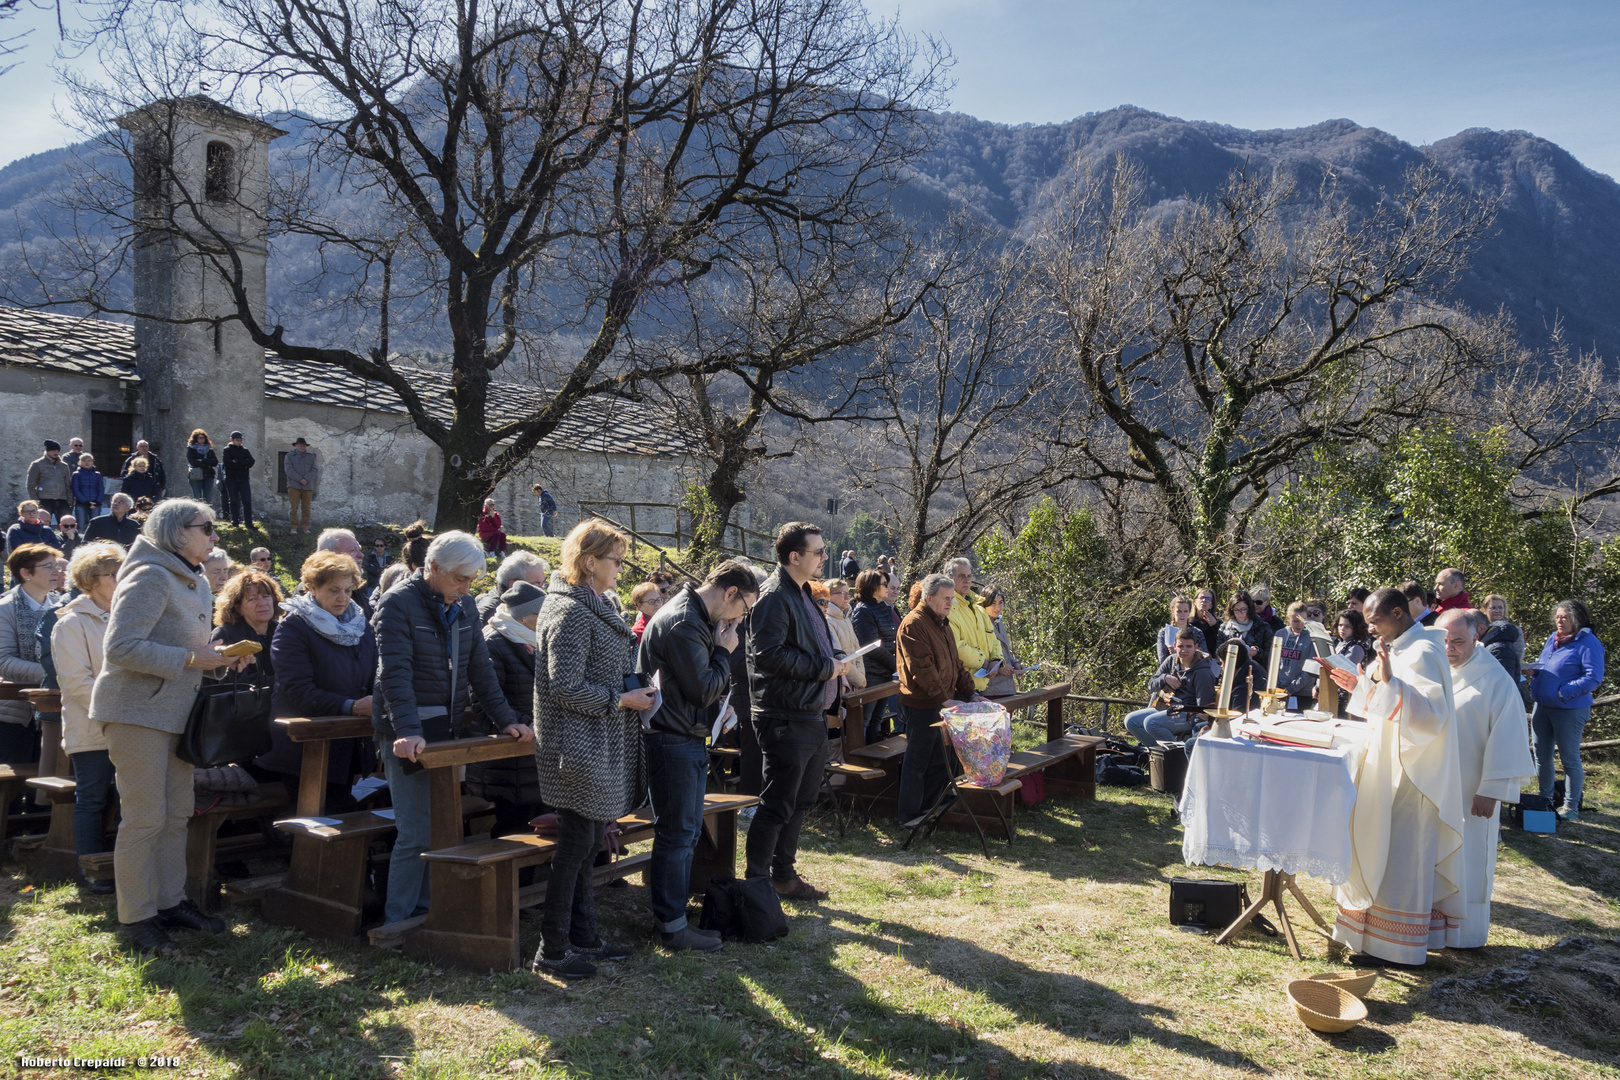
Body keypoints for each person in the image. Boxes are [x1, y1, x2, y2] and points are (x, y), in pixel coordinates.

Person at [91, 499, 249, 953]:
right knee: (144, 817)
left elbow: (190, 651)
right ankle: (137, 918)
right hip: (135, 712)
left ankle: (169, 901)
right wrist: (188, 658)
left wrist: (219, 662)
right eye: (208, 527)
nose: (215, 535)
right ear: (180, 533)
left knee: (177, 812)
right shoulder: (150, 575)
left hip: (177, 714)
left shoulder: (193, 579)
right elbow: (120, 647)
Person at [374, 531, 529, 924]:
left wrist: (507, 719)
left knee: (443, 824)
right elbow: (395, 675)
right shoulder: (397, 604)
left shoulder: (464, 607)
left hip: (446, 728)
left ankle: (433, 909)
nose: (465, 587)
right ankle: (399, 917)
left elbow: (481, 671)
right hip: (407, 731)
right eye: (459, 578)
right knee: (415, 831)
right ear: (433, 568)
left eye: (472, 580)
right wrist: (407, 731)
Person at [531, 520, 652, 979]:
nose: (621, 569)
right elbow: (565, 687)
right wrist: (621, 699)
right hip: (575, 745)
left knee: (585, 845)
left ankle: (582, 938)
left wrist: (636, 689)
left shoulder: (595, 604)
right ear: (589, 562)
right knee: (576, 846)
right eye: (615, 561)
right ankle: (553, 950)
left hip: (598, 741)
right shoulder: (569, 611)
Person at [1326, 587, 1464, 966]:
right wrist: (1361, 688)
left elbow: (1431, 716)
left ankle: (1395, 947)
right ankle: (1367, 935)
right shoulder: (1400, 647)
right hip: (1384, 764)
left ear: (1400, 614)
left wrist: (1388, 685)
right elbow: (1385, 701)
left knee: (1400, 856)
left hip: (1411, 773)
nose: (1370, 629)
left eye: (1375, 621)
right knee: (1374, 846)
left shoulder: (1423, 651)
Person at [637, 559, 757, 952]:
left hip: (683, 733)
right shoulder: (685, 622)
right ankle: (671, 926)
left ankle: (674, 916)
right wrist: (724, 652)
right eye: (743, 608)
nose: (741, 618)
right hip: (673, 739)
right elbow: (702, 690)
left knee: (683, 831)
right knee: (677, 833)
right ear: (729, 593)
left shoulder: (696, 617)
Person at [745, 521, 850, 903]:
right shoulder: (774, 595)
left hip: (809, 712)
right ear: (795, 557)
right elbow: (768, 656)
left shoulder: (803, 592)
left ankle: (783, 876)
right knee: (776, 804)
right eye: (818, 552)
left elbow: (811, 644)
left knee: (801, 800)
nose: (825, 557)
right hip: (785, 713)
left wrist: (834, 657)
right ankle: (757, 885)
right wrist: (825, 668)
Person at [1436, 609, 1535, 948]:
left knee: (1469, 856)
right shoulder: (1432, 670)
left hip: (1470, 790)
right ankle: (1427, 928)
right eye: (1443, 641)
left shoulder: (1494, 679)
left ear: (1476, 637)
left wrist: (1491, 790)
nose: (1449, 648)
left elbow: (1508, 738)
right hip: (1432, 785)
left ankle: (1464, 934)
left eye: (1458, 641)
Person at [263, 550, 377, 810]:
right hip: (303, 749)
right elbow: (297, 690)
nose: (343, 598)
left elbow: (371, 674)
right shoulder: (294, 627)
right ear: (312, 587)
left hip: (348, 744)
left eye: (348, 590)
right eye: (334, 590)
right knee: (319, 817)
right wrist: (351, 705)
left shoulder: (359, 625)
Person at [52, 542, 125, 892]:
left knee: (132, 798)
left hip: (131, 724)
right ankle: (91, 870)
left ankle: (125, 866)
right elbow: (76, 682)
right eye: (114, 574)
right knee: (93, 797)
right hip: (93, 726)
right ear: (90, 580)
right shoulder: (71, 623)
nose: (122, 579)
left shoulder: (127, 615)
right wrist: (120, 708)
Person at [465, 581, 546, 844]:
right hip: (509, 756)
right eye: (541, 614)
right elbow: (485, 699)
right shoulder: (494, 642)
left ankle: (533, 883)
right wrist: (526, 724)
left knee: (541, 824)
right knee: (513, 829)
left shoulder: (534, 640)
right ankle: (512, 885)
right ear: (523, 616)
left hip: (535, 755)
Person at [894, 573, 978, 824]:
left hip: (943, 703)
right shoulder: (913, 623)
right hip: (923, 704)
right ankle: (909, 816)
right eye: (946, 598)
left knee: (941, 762)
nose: (951, 603)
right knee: (917, 763)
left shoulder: (943, 622)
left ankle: (928, 810)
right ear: (928, 597)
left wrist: (972, 693)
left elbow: (956, 663)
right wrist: (944, 699)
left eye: (952, 598)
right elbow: (922, 668)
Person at [1528, 599, 1605, 822]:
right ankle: (1546, 800)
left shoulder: (1589, 642)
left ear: (1577, 619)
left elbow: (1593, 677)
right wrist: (1535, 672)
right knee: (1541, 756)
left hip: (1569, 709)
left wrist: (1562, 693)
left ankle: (1570, 807)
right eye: (1558, 617)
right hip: (1542, 706)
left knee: (1569, 759)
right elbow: (1548, 664)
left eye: (1566, 617)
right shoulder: (1554, 638)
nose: (1560, 621)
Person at [0, 542, 63, 762]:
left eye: (57, 566)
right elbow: (4, 663)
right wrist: (53, 674)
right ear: (26, 572)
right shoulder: (5, 609)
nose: (57, 572)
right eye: (48, 567)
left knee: (46, 780)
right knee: (14, 787)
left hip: (54, 707)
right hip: (15, 712)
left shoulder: (60, 607)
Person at [1124, 629, 1217, 747]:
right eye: (1180, 646)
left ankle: (1177, 755)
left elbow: (1203, 709)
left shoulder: (1202, 672)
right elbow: (1151, 684)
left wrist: (1198, 731)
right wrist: (1164, 678)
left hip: (1188, 713)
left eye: (1189, 646)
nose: (1184, 650)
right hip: (1167, 707)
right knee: (1131, 720)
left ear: (1196, 647)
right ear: (1174, 646)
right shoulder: (1171, 661)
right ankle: (1159, 754)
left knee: (1151, 723)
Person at [850, 568, 900, 742]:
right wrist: (896, 665)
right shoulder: (862, 611)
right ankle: (861, 760)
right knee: (865, 720)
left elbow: (891, 640)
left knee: (876, 720)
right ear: (871, 587)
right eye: (884, 584)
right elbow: (871, 646)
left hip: (885, 672)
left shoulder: (883, 608)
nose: (888, 587)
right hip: (870, 674)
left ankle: (873, 757)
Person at [208, 569, 283, 682]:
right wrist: (285, 684)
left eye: (266, 596)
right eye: (252, 599)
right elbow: (231, 681)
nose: (262, 603)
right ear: (238, 607)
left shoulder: (283, 631)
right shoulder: (225, 635)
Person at [943, 557, 1003, 693]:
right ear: (949, 578)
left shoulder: (979, 610)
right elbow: (956, 646)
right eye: (961, 576)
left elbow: (993, 639)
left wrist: (995, 660)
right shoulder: (947, 610)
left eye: (969, 576)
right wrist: (984, 663)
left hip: (981, 684)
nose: (967, 580)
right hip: (959, 687)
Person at [1216, 592, 1272, 701]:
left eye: (1243, 609)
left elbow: (1270, 656)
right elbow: (1218, 654)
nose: (1240, 613)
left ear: (1250, 609)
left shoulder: (1263, 627)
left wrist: (1257, 652)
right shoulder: (1224, 628)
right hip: (1231, 678)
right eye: (1236, 610)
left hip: (1256, 677)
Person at [475, 550, 551, 626]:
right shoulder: (488, 615)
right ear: (513, 585)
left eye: (544, 583)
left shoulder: (528, 604)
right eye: (537, 585)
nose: (542, 591)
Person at [821, 577, 867, 701]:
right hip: (841, 684)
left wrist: (861, 677)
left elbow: (857, 651)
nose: (847, 598)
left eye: (848, 594)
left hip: (856, 683)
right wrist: (859, 680)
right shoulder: (828, 621)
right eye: (842, 594)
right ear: (829, 595)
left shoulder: (846, 618)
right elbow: (840, 657)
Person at [976, 584, 1025, 697]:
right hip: (989, 690)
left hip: (1007, 687)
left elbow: (1004, 652)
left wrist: (1016, 664)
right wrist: (998, 669)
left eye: (1000, 602)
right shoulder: (979, 625)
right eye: (993, 603)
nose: (998, 607)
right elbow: (977, 657)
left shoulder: (999, 622)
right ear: (984, 603)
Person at [1275, 601, 1317, 707]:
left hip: (1301, 693)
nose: (1300, 625)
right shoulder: (1280, 634)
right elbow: (1273, 661)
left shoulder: (1312, 637)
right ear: (1288, 619)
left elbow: (1310, 670)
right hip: (1278, 690)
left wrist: (1291, 689)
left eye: (1303, 621)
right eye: (1295, 621)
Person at [1478, 594, 1525, 685]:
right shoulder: (1480, 630)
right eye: (1493, 608)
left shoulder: (1514, 631)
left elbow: (1519, 655)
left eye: (1500, 608)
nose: (1497, 611)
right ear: (1484, 610)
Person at [27, 440, 73, 522]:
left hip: (62, 500)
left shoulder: (64, 466)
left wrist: (69, 501)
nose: (56, 452)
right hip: (44, 499)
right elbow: (30, 485)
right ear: (48, 451)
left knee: (66, 524)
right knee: (43, 524)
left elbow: (68, 485)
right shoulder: (37, 464)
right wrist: (36, 502)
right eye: (53, 450)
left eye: (57, 450)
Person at [220, 431, 257, 528]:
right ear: (232, 439)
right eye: (237, 440)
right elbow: (228, 464)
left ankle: (248, 522)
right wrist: (243, 464)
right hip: (231, 478)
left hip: (243, 478)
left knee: (247, 500)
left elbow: (251, 462)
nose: (239, 442)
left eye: (240, 440)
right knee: (233, 500)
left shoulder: (245, 450)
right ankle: (235, 521)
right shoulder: (227, 450)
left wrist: (237, 462)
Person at [1157, 594, 1208, 661]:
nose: (1182, 615)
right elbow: (1162, 660)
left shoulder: (1197, 632)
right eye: (1179, 611)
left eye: (1185, 611)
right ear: (1172, 611)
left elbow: (1205, 658)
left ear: (1189, 612)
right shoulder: (1164, 633)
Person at [284, 437, 318, 534]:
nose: (302, 447)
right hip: (294, 486)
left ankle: (305, 528)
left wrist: (306, 479)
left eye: (304, 446)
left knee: (306, 508)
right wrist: (300, 479)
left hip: (307, 487)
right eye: (300, 445)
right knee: (294, 508)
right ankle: (293, 527)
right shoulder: (289, 456)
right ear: (296, 446)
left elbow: (314, 470)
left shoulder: (310, 457)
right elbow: (288, 470)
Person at [185, 429, 219, 505]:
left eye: (203, 438)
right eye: (200, 438)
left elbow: (215, 462)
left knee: (208, 499)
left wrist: (202, 460)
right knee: (197, 498)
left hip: (208, 475)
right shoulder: (191, 449)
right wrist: (207, 464)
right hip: (196, 475)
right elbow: (192, 462)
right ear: (195, 439)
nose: (202, 439)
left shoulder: (209, 449)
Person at [69, 453, 105, 525]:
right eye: (84, 461)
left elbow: (101, 489)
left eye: (89, 461)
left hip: (95, 503)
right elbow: (75, 489)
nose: (87, 462)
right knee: (80, 525)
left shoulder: (97, 474)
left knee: (95, 526)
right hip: (81, 504)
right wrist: (85, 502)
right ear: (80, 462)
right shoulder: (76, 474)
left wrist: (98, 501)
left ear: (92, 462)